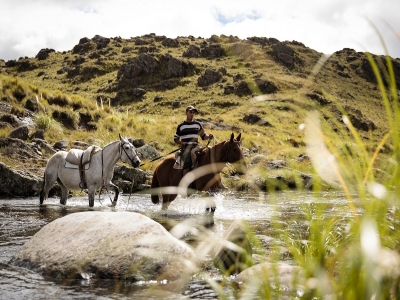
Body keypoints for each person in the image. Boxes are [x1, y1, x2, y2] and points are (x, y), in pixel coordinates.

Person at [174, 105, 213, 177]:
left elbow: (203, 136)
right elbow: (176, 138)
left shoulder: (197, 124)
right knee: (186, 166)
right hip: (186, 148)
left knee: (210, 150)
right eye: (190, 112)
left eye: (193, 113)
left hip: (196, 147)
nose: (192, 114)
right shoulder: (181, 126)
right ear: (186, 113)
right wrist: (181, 142)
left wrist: (209, 136)